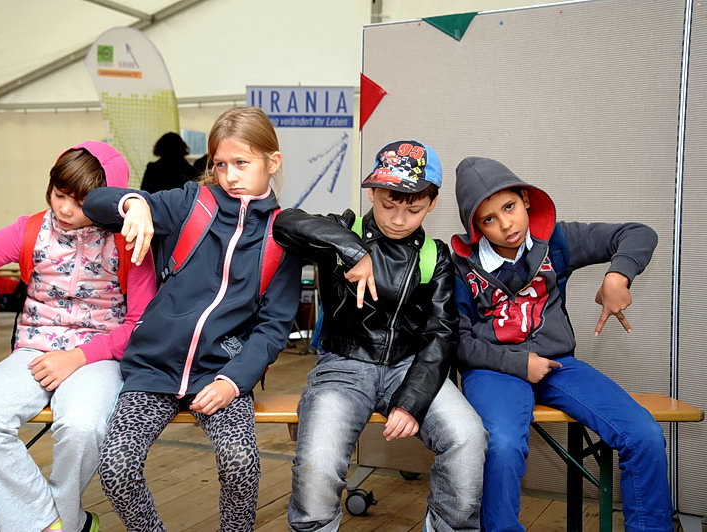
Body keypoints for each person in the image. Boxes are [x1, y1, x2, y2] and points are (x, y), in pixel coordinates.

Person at [83, 106, 302, 531]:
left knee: (241, 463)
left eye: (242, 163)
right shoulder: (189, 203)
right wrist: (134, 203)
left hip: (221, 375)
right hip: (152, 369)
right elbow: (95, 203)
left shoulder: (281, 235)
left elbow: (274, 327)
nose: (230, 176)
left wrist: (233, 381)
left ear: (272, 162)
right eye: (220, 164)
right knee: (116, 466)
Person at [0, 141, 157, 532]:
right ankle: (55, 525)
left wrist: (78, 358)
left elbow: (141, 324)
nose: (64, 209)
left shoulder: (130, 240)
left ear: (107, 200)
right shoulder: (30, 230)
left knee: (82, 428)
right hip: (34, 350)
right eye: (59, 194)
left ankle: (56, 520)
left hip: (100, 355)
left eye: (80, 203)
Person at [274, 140, 488, 532]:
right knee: (318, 464)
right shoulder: (343, 231)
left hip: (411, 368)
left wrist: (410, 402)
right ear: (372, 192)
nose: (399, 219)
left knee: (468, 438)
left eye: (414, 209)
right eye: (389, 205)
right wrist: (352, 251)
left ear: (432, 204)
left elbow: (441, 335)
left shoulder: (435, 256)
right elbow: (284, 223)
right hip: (343, 366)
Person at [451, 156, 671, 531]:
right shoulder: (459, 265)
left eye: (510, 207)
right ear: (476, 227)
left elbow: (638, 233)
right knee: (502, 445)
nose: (506, 224)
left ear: (525, 200)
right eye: (489, 219)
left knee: (644, 434)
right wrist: (519, 364)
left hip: (558, 366)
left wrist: (618, 276)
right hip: (493, 370)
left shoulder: (555, 242)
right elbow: (457, 342)